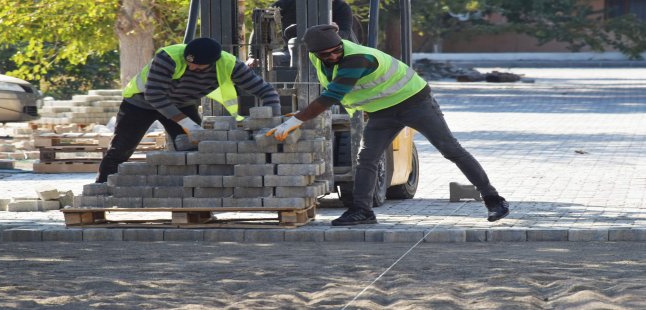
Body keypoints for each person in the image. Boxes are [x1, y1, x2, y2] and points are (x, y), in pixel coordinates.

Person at [267, 24, 509, 226]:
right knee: (367, 158)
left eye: (335, 50)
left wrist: (294, 121)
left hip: (415, 102)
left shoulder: (357, 58)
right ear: (314, 52)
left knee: (450, 149)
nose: (332, 56)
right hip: (381, 111)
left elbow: (332, 96)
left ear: (341, 44)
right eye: (325, 54)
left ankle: (494, 200)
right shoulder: (316, 53)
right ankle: (362, 211)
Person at [96, 37, 281, 183]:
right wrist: (186, 123)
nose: (191, 67)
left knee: (195, 148)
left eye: (197, 66)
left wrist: (274, 121)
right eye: (189, 62)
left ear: (212, 62)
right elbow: (154, 95)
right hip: (141, 103)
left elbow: (267, 92)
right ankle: (101, 192)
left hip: (182, 104)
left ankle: (193, 194)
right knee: (120, 149)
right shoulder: (168, 57)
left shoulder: (230, 65)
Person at [246, 0, 355, 68]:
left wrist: (333, 33)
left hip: (329, 52)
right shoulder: (285, 4)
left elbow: (345, 32)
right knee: (267, 61)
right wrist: (253, 56)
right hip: (293, 53)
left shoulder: (341, 7)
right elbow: (261, 24)